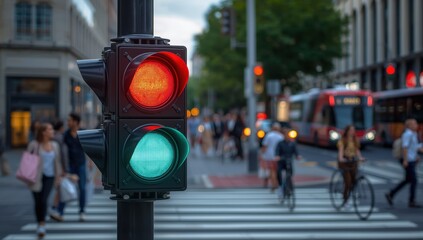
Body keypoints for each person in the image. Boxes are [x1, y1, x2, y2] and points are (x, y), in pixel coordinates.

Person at [27, 123, 62, 238]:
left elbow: (57, 162)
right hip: (35, 178)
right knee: (37, 202)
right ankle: (39, 223)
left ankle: (42, 224)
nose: (52, 131)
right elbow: (27, 161)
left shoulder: (55, 145)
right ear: (43, 132)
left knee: (43, 200)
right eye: (50, 129)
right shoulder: (34, 144)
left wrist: (58, 176)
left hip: (50, 177)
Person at [56, 113, 88, 221]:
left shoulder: (83, 132)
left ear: (75, 122)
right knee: (65, 188)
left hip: (81, 164)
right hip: (69, 165)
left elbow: (88, 148)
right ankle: (60, 212)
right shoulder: (65, 135)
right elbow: (61, 151)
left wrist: (91, 161)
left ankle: (82, 211)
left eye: (70, 120)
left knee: (82, 188)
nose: (68, 123)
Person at [385, 118, 423, 208]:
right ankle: (411, 201)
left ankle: (391, 194)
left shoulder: (414, 134)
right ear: (409, 125)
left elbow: (414, 147)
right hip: (407, 160)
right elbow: (405, 147)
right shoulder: (407, 134)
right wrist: (405, 160)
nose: (416, 125)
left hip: (411, 159)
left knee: (408, 180)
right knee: (413, 180)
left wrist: (416, 156)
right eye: (414, 124)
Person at [337, 125, 364, 208]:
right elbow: (341, 151)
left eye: (353, 130)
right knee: (348, 182)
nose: (353, 132)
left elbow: (357, 150)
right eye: (351, 130)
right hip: (345, 162)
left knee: (353, 181)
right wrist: (341, 158)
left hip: (353, 161)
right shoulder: (343, 140)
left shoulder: (355, 140)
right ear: (347, 131)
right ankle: (345, 200)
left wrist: (360, 157)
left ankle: (348, 195)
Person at [274, 127, 301, 200]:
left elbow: (296, 152)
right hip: (281, 161)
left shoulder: (292, 143)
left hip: (289, 161)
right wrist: (277, 156)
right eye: (286, 135)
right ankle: (280, 187)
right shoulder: (280, 143)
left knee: (290, 173)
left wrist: (297, 156)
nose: (287, 136)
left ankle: (289, 186)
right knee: (279, 173)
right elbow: (277, 151)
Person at [260, 122, 284, 191]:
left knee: (271, 170)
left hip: (269, 155)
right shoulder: (281, 136)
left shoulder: (269, 135)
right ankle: (276, 183)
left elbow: (264, 146)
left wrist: (262, 154)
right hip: (278, 156)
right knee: (276, 170)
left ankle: (273, 184)